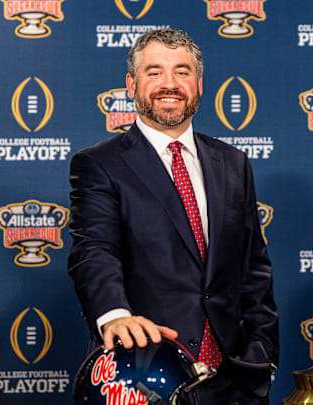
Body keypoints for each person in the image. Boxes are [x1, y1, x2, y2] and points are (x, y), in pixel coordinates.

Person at [67, 28, 278, 405]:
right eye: (154, 72)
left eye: (182, 72)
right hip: (147, 378)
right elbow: (94, 250)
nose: (170, 84)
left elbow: (254, 269)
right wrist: (115, 316)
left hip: (235, 383)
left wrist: (262, 357)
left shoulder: (233, 162)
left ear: (198, 84)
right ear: (131, 84)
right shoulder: (99, 164)